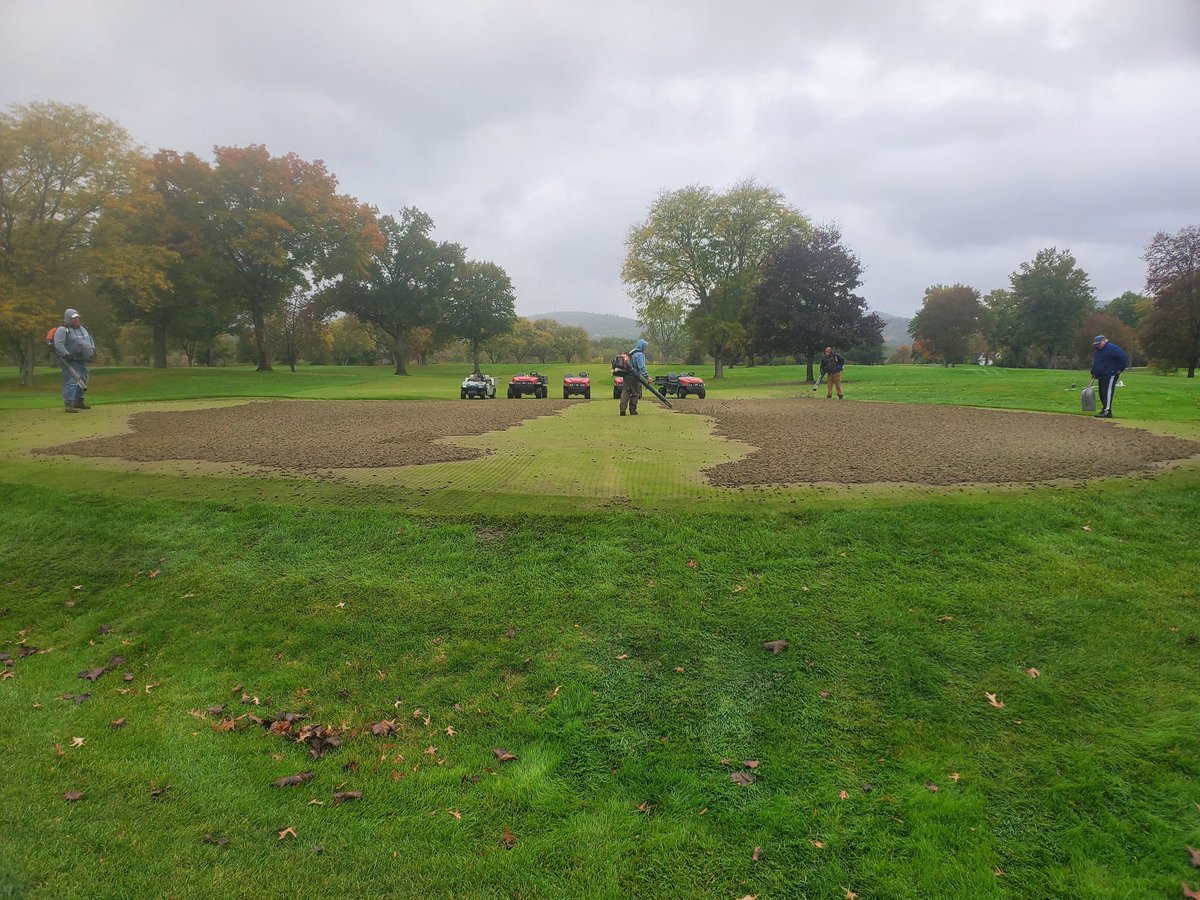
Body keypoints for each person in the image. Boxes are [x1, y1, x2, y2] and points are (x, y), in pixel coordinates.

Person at [52, 308, 96, 413]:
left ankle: (79, 401)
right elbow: (58, 344)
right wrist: (66, 354)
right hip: (69, 361)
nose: (76, 320)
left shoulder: (83, 328)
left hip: (82, 359)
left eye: (77, 318)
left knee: (84, 379)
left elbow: (90, 340)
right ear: (68, 319)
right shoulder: (63, 330)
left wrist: (93, 350)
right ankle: (69, 404)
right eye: (73, 318)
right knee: (72, 381)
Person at [1089, 334, 1129, 419]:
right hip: (1101, 375)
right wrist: (1094, 372)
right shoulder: (1098, 350)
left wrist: (1120, 369)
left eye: (1099, 343)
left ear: (1104, 341)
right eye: (1096, 344)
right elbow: (1097, 362)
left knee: (1107, 392)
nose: (1097, 345)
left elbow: (1124, 357)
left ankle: (1107, 412)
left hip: (1110, 374)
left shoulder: (1113, 348)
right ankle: (1104, 410)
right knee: (1102, 392)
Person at [619, 338, 649, 416]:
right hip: (634, 376)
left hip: (626, 375)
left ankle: (622, 409)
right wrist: (647, 376)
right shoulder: (639, 354)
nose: (645, 348)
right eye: (645, 346)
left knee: (625, 392)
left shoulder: (631, 352)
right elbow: (641, 367)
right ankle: (633, 410)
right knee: (635, 393)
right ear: (642, 346)